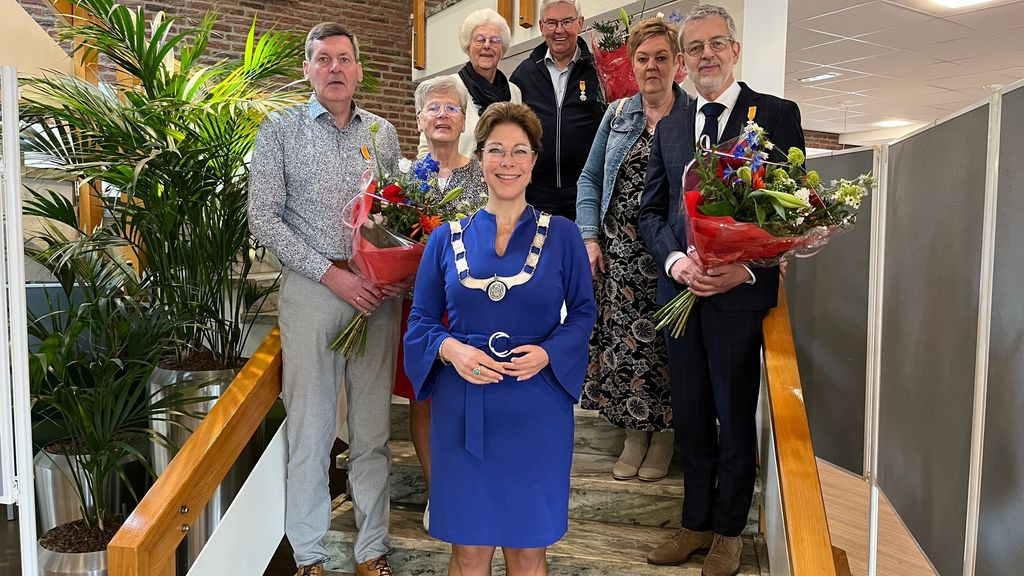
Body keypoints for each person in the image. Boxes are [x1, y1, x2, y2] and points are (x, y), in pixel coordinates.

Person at [638, 6, 805, 576]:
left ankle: (729, 531)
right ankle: (695, 523)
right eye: (695, 48)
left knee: (733, 415)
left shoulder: (776, 116)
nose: (706, 55)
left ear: (734, 51)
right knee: (689, 415)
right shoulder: (671, 126)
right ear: (683, 62)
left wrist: (746, 271)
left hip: (738, 297)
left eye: (716, 44)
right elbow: (651, 213)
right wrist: (678, 259)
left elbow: (791, 215)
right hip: (681, 295)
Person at [404, 102, 596, 576]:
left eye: (518, 151)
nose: (506, 161)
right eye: (495, 150)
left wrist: (549, 353)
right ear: (481, 156)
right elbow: (421, 322)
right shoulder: (443, 239)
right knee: (468, 549)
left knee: (528, 549)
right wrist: (451, 349)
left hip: (537, 408)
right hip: (464, 407)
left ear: (533, 159)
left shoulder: (565, 236)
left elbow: (585, 315)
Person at [249, 22, 407, 576]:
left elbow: (397, 215)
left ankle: (372, 550)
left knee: (373, 432)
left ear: (359, 69)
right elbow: (263, 218)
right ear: (308, 69)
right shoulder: (279, 131)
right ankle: (310, 555)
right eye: (323, 59)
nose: (335, 68)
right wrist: (331, 274)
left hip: (377, 298)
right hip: (314, 293)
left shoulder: (383, 134)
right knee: (312, 432)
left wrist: (393, 273)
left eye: (344, 58)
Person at [575, 17, 690, 483]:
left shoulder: (692, 117)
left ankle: (664, 436)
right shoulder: (617, 114)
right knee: (624, 347)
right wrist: (589, 236)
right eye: (643, 58)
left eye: (661, 58)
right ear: (632, 63)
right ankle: (633, 435)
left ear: (677, 64)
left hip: (671, 257)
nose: (652, 67)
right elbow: (589, 179)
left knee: (667, 348)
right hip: (619, 256)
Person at [394, 75, 491, 531]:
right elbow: (388, 238)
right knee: (424, 400)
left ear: (465, 117)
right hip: (419, 309)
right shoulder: (404, 178)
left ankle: (471, 485)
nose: (442, 115)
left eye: (451, 108)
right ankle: (440, 492)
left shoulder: (484, 173)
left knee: (471, 398)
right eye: (433, 107)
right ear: (419, 119)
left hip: (472, 308)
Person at [510, 0, 605, 221]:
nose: (559, 30)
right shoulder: (524, 74)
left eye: (567, 22)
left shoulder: (598, 71)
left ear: (580, 23)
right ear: (542, 27)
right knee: (538, 252)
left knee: (582, 252)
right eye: (552, 23)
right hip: (536, 190)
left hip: (585, 189)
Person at [418, 8, 522, 158]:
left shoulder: (514, 93)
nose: (487, 45)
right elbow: (426, 150)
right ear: (468, 47)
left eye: (494, 41)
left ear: (502, 49)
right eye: (480, 40)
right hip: (456, 179)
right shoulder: (449, 88)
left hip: (504, 177)